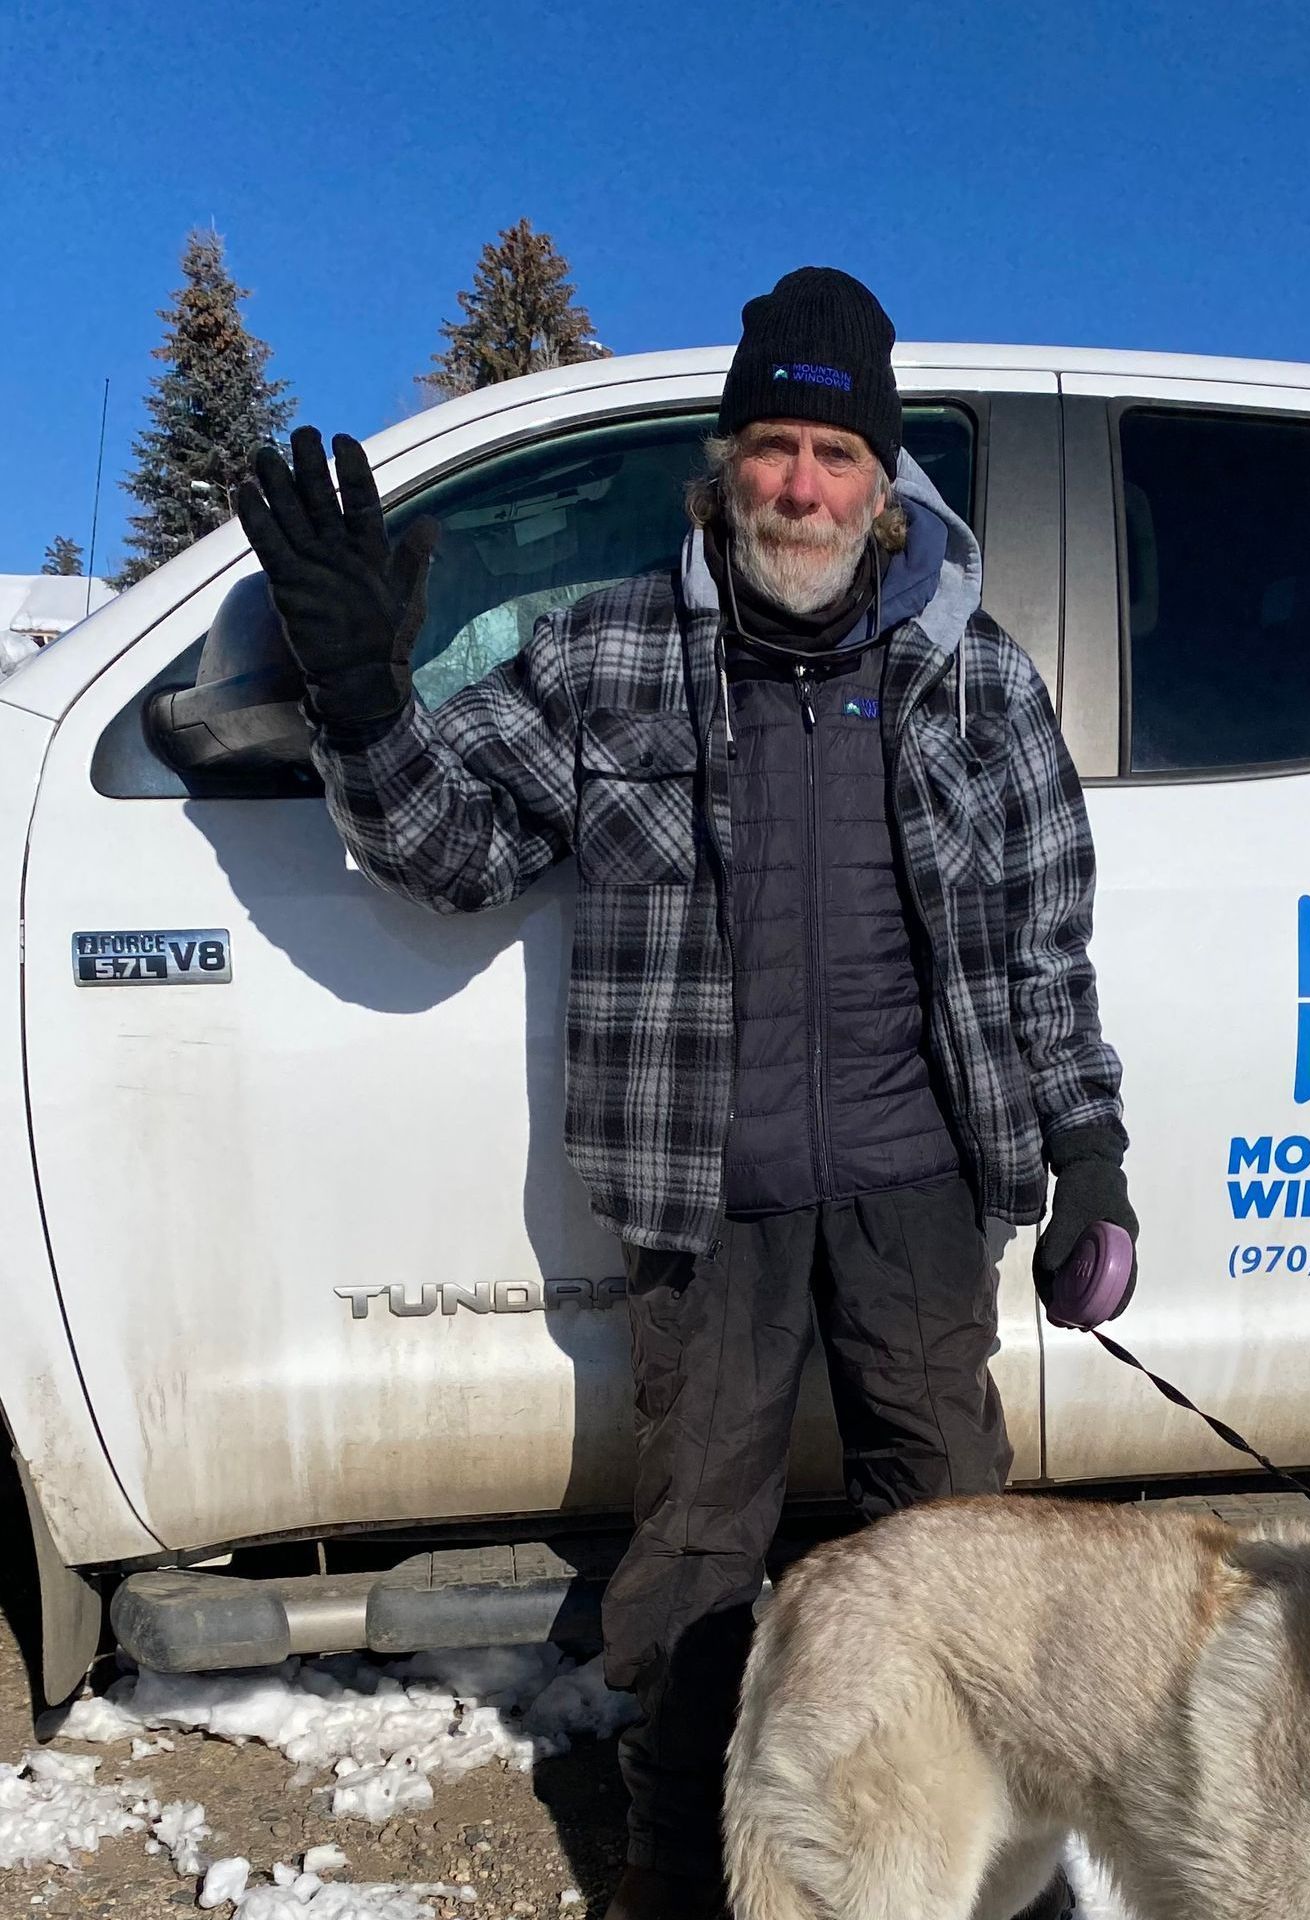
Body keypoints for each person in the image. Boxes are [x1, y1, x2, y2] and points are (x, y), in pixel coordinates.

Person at [236, 267, 1133, 1919]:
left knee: (953, 1539)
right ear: (726, 468)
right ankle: (676, 1861)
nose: (802, 485)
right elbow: (445, 846)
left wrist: (1090, 1153)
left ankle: (983, 1869)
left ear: (883, 487)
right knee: (699, 1554)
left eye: (837, 456)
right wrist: (361, 700)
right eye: (775, 447)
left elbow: (1044, 943)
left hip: (919, 1187)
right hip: (701, 1195)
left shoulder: (980, 679)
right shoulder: (607, 654)